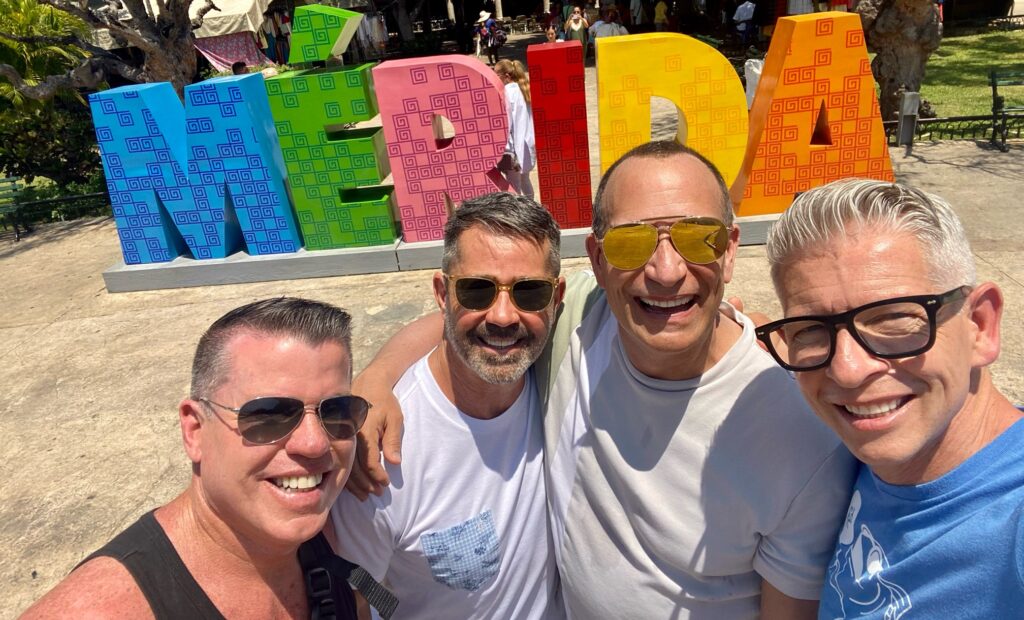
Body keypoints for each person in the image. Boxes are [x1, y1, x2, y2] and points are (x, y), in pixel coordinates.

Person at [350, 141, 856, 618]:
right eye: (632, 242)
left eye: (698, 238)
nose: (664, 271)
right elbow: (468, 319)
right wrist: (376, 377)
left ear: (728, 252)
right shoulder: (585, 317)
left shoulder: (802, 435)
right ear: (597, 258)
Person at [756, 179, 1024, 619]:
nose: (847, 369)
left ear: (980, 325)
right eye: (810, 329)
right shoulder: (883, 449)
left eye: (894, 319)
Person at [22, 298, 371, 618]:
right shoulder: (99, 611)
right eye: (270, 415)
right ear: (194, 430)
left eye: (338, 411)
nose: (314, 444)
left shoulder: (330, 528)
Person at [332, 193, 566, 618]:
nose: (502, 316)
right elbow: (355, 593)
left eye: (529, 292)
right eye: (476, 290)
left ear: (556, 297)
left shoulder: (557, 371)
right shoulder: (383, 452)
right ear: (443, 294)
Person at [494, 60, 537, 200]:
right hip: (527, 144)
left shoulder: (506, 93)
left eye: (497, 74)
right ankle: (533, 209)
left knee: (514, 185)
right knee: (525, 180)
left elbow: (508, 124)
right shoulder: (524, 89)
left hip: (514, 147)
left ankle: (519, 218)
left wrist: (507, 147)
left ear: (506, 76)